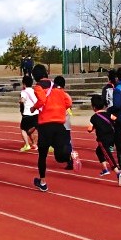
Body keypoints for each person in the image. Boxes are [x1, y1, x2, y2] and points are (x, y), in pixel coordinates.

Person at [30, 64, 74, 192]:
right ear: (46, 73)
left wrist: (34, 107)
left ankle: (43, 182)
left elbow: (42, 100)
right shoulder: (57, 87)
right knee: (60, 155)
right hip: (59, 124)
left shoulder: (38, 87)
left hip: (45, 125)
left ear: (35, 77)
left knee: (42, 155)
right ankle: (69, 155)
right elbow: (69, 102)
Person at [87, 94, 121, 186]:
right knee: (98, 151)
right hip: (112, 137)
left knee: (108, 156)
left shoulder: (94, 117)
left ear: (94, 107)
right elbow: (116, 120)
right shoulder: (109, 114)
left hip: (102, 139)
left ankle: (118, 172)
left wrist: (92, 127)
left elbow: (89, 129)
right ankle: (104, 169)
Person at [54, 75, 81, 172]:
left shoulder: (56, 95)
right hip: (65, 123)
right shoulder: (67, 96)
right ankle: (70, 159)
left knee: (60, 144)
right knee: (66, 143)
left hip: (58, 123)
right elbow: (69, 108)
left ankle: (71, 159)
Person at [19, 75, 39, 151]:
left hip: (27, 113)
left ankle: (27, 145)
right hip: (36, 113)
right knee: (31, 130)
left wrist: (20, 101)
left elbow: (23, 100)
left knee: (23, 129)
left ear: (24, 84)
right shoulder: (34, 91)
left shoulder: (24, 92)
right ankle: (34, 144)